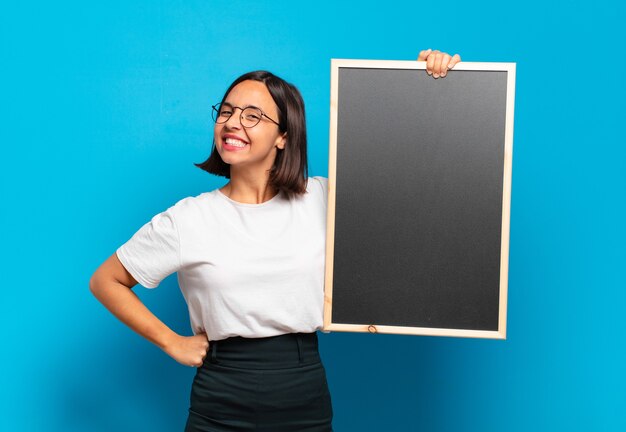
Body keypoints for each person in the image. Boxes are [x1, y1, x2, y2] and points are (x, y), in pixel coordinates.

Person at [89, 49, 461, 432]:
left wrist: (426, 85)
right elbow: (106, 281)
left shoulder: (324, 199)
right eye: (227, 112)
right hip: (220, 392)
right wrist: (171, 341)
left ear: (284, 136)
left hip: (302, 387)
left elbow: (413, 186)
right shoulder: (188, 218)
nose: (233, 123)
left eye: (253, 116)